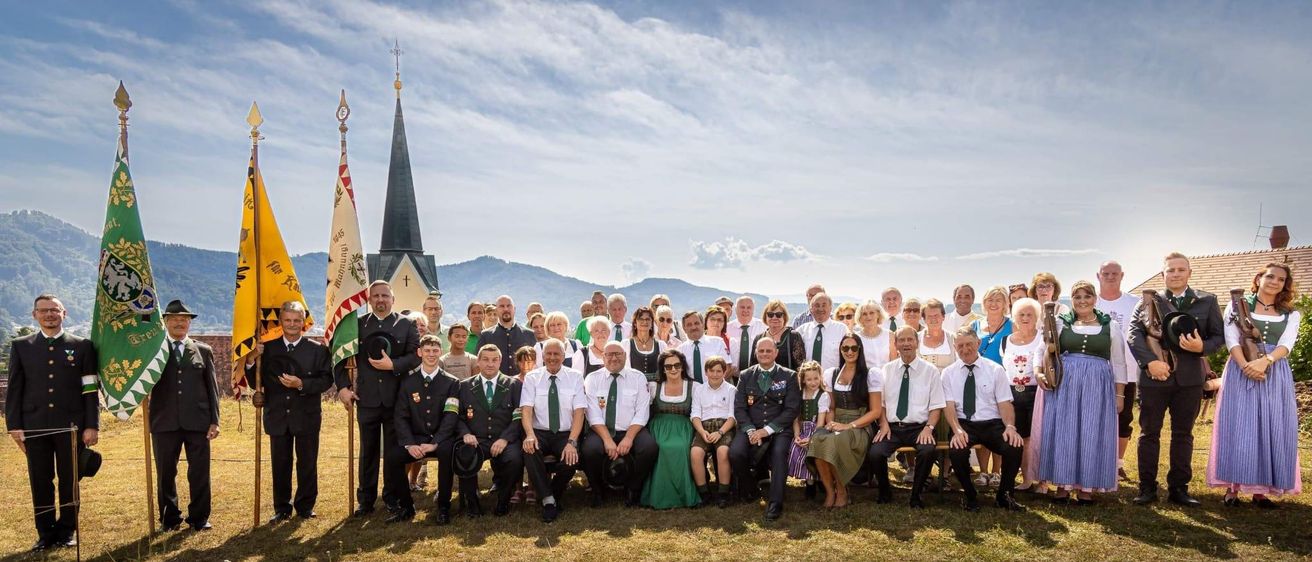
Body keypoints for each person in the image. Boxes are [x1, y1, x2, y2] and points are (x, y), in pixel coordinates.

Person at [1128, 252, 1224, 507]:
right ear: (1163, 275)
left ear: (1189, 273)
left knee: (1184, 434)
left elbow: (1219, 337)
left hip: (1190, 379)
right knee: (1149, 433)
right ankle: (1147, 488)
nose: (1176, 274)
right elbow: (1134, 334)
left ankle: (1179, 489)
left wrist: (1201, 347)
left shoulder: (1207, 300)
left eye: (1181, 269)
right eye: (1171, 270)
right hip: (1154, 378)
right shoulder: (1148, 301)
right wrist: (1150, 362)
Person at [8, 294, 99, 551]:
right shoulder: (21, 345)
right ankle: (45, 533)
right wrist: (14, 426)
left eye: (54, 310)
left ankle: (67, 531)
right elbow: (15, 389)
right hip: (35, 425)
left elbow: (90, 389)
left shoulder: (82, 346)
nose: (49, 314)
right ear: (34, 314)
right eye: (44, 310)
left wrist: (92, 425)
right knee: (41, 480)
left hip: (72, 427)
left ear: (64, 313)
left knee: (69, 480)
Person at [1209, 263, 1302, 508]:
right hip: (1240, 368)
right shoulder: (1238, 306)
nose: (1274, 282)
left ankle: (1261, 490)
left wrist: (1266, 361)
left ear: (1285, 285)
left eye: (1281, 279)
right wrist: (1245, 366)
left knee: (1271, 426)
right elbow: (1231, 339)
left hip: (1275, 370)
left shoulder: (1291, 313)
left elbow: (1287, 343)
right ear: (1259, 278)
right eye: (1270, 276)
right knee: (1239, 425)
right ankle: (1233, 488)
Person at [334, 281, 422, 518]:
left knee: (394, 454)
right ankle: (366, 500)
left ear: (393, 299)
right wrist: (343, 387)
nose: (380, 299)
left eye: (385, 295)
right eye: (376, 296)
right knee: (368, 452)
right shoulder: (357, 326)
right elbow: (338, 358)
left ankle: (392, 498)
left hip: (397, 401)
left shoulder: (406, 325)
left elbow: (416, 356)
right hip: (367, 399)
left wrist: (394, 365)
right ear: (369, 300)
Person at [1037, 281, 1127, 504]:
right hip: (1066, 383)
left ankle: (1086, 486)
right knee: (1064, 431)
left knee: (1090, 430)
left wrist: (1120, 395)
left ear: (1095, 299)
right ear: (1072, 300)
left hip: (1097, 385)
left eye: (1087, 296)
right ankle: (1062, 484)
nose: (1082, 301)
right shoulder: (1061, 323)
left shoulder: (1110, 326)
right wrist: (1038, 372)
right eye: (1077, 297)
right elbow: (1042, 350)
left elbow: (1119, 363)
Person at [245, 301, 333, 522]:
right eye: (288, 320)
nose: (292, 324)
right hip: (277, 415)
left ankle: (305, 506)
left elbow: (326, 380)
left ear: (303, 322)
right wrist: (251, 360)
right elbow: (254, 379)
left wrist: (301, 384)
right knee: (280, 463)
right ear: (281, 321)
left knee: (307, 462)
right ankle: (282, 508)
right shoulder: (267, 349)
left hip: (306, 415)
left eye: (297, 320)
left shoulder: (317, 350)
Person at [151, 299, 221, 531]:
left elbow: (212, 389)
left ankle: (199, 518)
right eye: (174, 319)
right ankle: (169, 519)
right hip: (164, 421)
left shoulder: (203, 350)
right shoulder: (154, 350)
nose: (179, 323)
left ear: (189, 323)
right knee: (165, 474)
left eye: (184, 319)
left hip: (198, 422)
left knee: (199, 472)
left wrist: (214, 421)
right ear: (166, 322)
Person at [943, 327, 1025, 512]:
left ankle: (1005, 495)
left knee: (1014, 446)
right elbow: (948, 406)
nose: (965, 349)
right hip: (963, 423)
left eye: (969, 344)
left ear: (978, 343)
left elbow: (1005, 403)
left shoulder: (995, 370)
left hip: (992, 423)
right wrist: (956, 430)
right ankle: (970, 495)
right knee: (957, 450)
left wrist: (1010, 427)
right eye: (960, 346)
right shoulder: (948, 373)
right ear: (955, 348)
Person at [385, 335, 461, 524]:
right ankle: (406, 507)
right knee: (393, 457)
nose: (431, 354)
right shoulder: (408, 382)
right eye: (427, 350)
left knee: (446, 452)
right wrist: (409, 444)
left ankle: (443, 506)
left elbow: (451, 416)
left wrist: (435, 443)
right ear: (419, 352)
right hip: (416, 438)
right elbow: (400, 416)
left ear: (440, 352)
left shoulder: (451, 382)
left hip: (441, 438)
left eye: (435, 350)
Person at [869, 327, 944, 507]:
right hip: (892, 427)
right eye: (901, 340)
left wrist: (929, 428)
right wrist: (884, 424)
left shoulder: (931, 371)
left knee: (927, 451)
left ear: (917, 343)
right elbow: (882, 404)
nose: (906, 344)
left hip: (920, 427)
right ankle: (885, 491)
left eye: (910, 340)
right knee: (875, 453)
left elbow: (936, 407)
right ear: (896, 344)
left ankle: (916, 495)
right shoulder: (886, 370)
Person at [807, 334, 883, 509]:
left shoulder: (870, 374)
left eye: (853, 348)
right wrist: (831, 423)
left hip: (860, 424)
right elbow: (831, 407)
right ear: (840, 350)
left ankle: (842, 490)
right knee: (818, 439)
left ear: (860, 350)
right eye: (845, 348)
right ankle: (829, 491)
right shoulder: (832, 373)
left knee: (836, 441)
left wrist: (849, 426)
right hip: (837, 421)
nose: (849, 352)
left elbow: (876, 411)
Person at [731, 337, 802, 522]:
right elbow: (739, 408)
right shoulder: (746, 375)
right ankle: (751, 490)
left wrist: (767, 430)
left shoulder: (789, 375)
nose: (764, 354)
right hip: (751, 427)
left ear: (776, 353)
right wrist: (750, 430)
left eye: (768, 351)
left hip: (779, 428)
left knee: (779, 453)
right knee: (736, 453)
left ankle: (775, 502)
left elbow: (791, 409)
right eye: (761, 351)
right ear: (756, 353)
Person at [581, 342, 658, 507]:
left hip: (631, 429)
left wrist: (629, 438)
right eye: (609, 354)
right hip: (602, 430)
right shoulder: (592, 379)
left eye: (618, 354)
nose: (614, 358)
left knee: (649, 447)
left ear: (625, 356)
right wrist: (607, 439)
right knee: (590, 450)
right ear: (603, 357)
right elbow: (593, 414)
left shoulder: (638, 377)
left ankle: (633, 489)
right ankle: (598, 490)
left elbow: (642, 411)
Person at [520, 339, 588, 523]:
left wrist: (572, 442)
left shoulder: (575, 377)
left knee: (572, 458)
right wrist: (530, 434)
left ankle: (551, 493)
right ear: (542, 356)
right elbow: (526, 409)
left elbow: (579, 412)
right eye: (548, 354)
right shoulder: (532, 377)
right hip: (539, 431)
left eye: (556, 354)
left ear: (563, 356)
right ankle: (550, 501)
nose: (552, 357)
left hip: (565, 432)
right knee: (530, 450)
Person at [453, 346, 524, 517]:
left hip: (504, 439)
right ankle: (472, 503)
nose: (490, 364)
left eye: (494, 360)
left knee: (515, 459)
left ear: (500, 361)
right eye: (485, 359)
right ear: (478, 361)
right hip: (476, 440)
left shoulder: (514, 385)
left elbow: (519, 417)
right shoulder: (464, 386)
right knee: (465, 455)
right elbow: (458, 417)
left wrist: (505, 439)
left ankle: (503, 500)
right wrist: (465, 434)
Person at [1095, 260, 1142, 480]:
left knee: (1123, 418)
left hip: (1128, 371)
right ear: (1098, 276)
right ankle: (1096, 459)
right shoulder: (1090, 302)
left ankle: (1117, 464)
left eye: (1115, 273)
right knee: (1095, 418)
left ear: (1122, 275)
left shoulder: (1135, 302)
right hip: (1095, 372)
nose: (1110, 277)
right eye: (1106, 273)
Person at [642, 350, 701, 509]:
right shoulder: (654, 386)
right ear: (663, 369)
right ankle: (659, 494)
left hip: (683, 425)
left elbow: (698, 411)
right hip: (659, 425)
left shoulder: (694, 386)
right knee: (660, 447)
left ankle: (683, 494)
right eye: (668, 366)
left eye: (677, 365)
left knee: (681, 447)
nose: (673, 369)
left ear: (683, 367)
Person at [1004, 297, 1046, 493]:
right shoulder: (1006, 341)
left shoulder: (1043, 338)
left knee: (1039, 438)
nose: (1026, 318)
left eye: (1030, 314)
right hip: (1013, 395)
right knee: (1020, 438)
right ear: (1015, 317)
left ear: (1037, 317)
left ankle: (1043, 481)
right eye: (1021, 314)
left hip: (1038, 393)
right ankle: (1027, 479)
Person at [690, 353, 737, 508]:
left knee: (723, 452)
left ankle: (723, 493)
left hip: (724, 428)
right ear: (706, 372)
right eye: (711, 371)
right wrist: (702, 432)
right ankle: (704, 493)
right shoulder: (699, 390)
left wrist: (720, 433)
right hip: (704, 428)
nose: (715, 374)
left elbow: (732, 416)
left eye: (718, 371)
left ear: (724, 372)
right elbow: (695, 414)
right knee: (696, 453)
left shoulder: (731, 390)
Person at [788, 363, 825, 501]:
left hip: (817, 431)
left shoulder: (823, 396)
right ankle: (809, 482)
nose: (813, 382)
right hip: (802, 429)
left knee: (814, 450)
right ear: (803, 380)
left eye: (816, 378)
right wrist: (797, 435)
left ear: (820, 378)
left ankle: (819, 480)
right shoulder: (799, 395)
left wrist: (811, 438)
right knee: (796, 449)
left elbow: (821, 423)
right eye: (809, 379)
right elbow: (796, 419)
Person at [480, 296, 537, 378]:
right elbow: (480, 364)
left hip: (523, 387)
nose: (506, 309)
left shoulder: (529, 334)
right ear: (496, 310)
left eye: (509, 306)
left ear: (514, 309)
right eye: (502, 306)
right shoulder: (486, 335)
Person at [796, 292, 846, 371]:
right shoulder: (801, 331)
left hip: (833, 380)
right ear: (811, 309)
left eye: (824, 305)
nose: (820, 309)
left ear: (830, 308)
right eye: (817, 305)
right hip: (808, 381)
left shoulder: (842, 329)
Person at [753, 299, 806, 371]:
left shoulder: (793, 336)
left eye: (778, 315)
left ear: (784, 317)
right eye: (770, 315)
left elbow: (801, 366)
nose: (774, 318)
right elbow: (753, 365)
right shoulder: (759, 338)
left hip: (789, 381)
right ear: (765, 317)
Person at [678, 310, 728, 383]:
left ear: (703, 324)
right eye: (689, 325)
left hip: (714, 390)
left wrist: (715, 386)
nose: (693, 327)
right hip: (691, 391)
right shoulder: (680, 350)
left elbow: (727, 368)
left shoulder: (718, 342)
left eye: (696, 323)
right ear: (684, 328)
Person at [971, 285, 1014, 364]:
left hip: (1003, 374)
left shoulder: (1013, 325)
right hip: (979, 374)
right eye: (990, 300)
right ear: (984, 302)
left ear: (1005, 303)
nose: (993, 304)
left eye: (998, 300)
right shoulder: (974, 325)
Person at [626, 306, 667, 383]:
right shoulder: (626, 344)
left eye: (648, 319)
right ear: (635, 323)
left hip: (656, 390)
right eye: (641, 319)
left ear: (652, 323)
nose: (644, 322)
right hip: (634, 389)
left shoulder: (661, 345)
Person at [728, 295, 768, 373]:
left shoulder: (763, 327)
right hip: (732, 376)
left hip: (756, 374)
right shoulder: (727, 328)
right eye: (742, 307)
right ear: (735, 309)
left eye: (749, 308)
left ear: (753, 310)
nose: (745, 310)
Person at [855, 299, 893, 371]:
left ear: (878, 314)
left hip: (887, 378)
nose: (868, 316)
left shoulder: (889, 335)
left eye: (871, 313)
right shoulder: (856, 338)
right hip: (865, 379)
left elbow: (894, 361)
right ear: (860, 317)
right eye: (864, 314)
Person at [919, 298, 957, 370]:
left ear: (943, 317)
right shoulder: (916, 339)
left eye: (936, 315)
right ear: (924, 319)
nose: (933, 319)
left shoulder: (954, 338)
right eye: (929, 316)